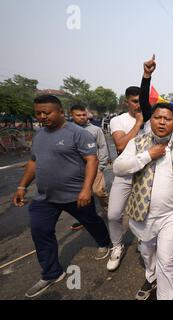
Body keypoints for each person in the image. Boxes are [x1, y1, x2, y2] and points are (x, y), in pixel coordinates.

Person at [12, 95, 111, 298]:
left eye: (46, 113)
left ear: (59, 111)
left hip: (75, 195)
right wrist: (22, 186)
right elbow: (33, 162)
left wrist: (86, 189)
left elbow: (91, 160)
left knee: (91, 220)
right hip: (45, 198)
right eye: (38, 113)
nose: (41, 117)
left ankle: (104, 242)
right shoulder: (39, 135)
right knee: (40, 231)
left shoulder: (77, 133)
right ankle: (51, 273)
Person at [114, 101, 173, 300]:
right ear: (151, 120)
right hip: (143, 215)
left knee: (167, 260)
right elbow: (118, 168)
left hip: (172, 215)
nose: (162, 122)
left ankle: (165, 296)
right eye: (158, 117)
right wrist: (148, 155)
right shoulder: (137, 143)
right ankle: (151, 276)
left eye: (168, 119)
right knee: (148, 253)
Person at [106, 85, 148, 271]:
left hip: (144, 174)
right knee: (114, 214)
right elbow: (121, 145)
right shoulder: (118, 120)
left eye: (142, 101)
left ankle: (143, 239)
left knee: (144, 212)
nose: (138, 105)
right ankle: (117, 245)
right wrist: (138, 124)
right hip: (124, 173)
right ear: (127, 102)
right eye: (134, 101)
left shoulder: (151, 120)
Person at [70, 105, 110, 231]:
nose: (82, 117)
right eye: (78, 115)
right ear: (72, 116)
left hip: (95, 166)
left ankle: (110, 213)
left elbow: (102, 146)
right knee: (82, 196)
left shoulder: (95, 130)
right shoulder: (68, 130)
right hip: (76, 170)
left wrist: (102, 165)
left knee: (99, 191)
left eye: (84, 115)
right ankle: (86, 219)